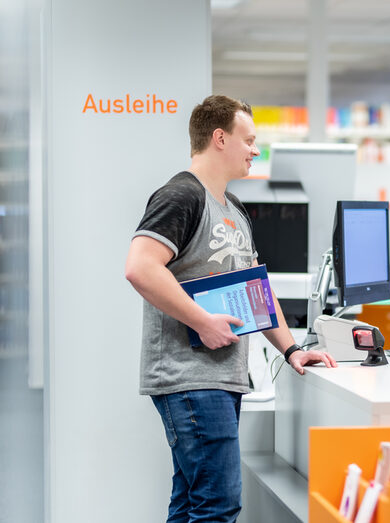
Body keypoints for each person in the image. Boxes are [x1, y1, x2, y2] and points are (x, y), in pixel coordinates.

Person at [124, 95, 337, 523]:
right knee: (218, 505)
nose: (255, 150)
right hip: (190, 376)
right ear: (220, 138)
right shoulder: (181, 195)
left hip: (220, 377)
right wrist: (202, 322)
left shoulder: (235, 208)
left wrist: (291, 349)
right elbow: (140, 267)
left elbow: (257, 290)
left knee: (192, 504)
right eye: (249, 140)